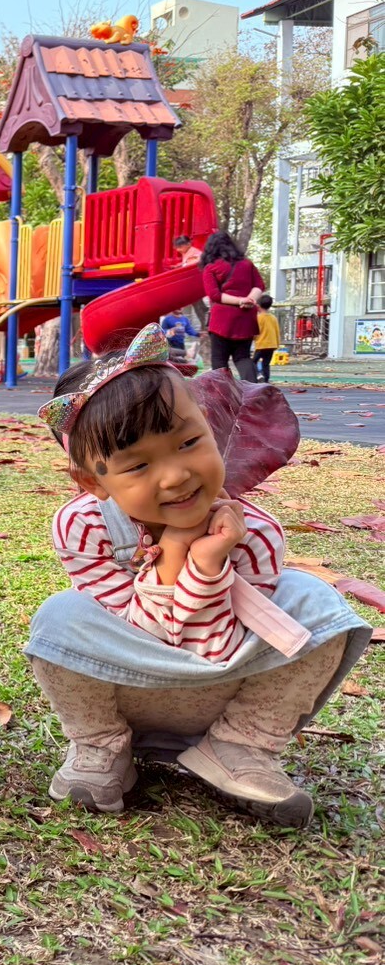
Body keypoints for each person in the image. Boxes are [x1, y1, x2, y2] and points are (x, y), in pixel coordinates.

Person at [28, 324, 370, 826]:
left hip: (224, 689)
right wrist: (181, 550)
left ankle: (239, 748)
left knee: (317, 605)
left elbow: (211, 648)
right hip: (130, 682)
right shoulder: (83, 527)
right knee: (60, 618)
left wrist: (211, 559)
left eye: (188, 442)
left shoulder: (255, 534)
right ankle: (102, 747)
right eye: (137, 465)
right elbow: (153, 632)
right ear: (91, 481)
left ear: (211, 427)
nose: (176, 475)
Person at [200, 232, 265, 382]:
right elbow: (259, 286)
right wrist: (249, 300)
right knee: (243, 357)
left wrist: (239, 300)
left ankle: (224, 394)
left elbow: (214, 295)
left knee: (219, 360)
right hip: (246, 319)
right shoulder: (247, 264)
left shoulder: (211, 267)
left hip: (221, 320)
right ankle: (252, 391)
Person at [253, 295, 281, 384]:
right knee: (266, 364)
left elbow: (255, 331)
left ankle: (258, 375)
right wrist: (277, 344)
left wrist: (252, 339)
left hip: (261, 344)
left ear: (258, 305)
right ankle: (266, 380)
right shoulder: (273, 318)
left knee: (252, 362)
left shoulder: (258, 318)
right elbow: (277, 332)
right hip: (272, 345)